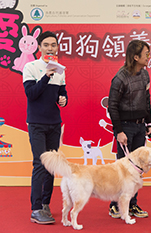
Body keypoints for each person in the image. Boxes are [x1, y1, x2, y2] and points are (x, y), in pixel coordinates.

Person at [23, 31, 68, 224]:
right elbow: (31, 94)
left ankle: (46, 204)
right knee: (39, 164)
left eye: (54, 45)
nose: (50, 48)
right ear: (39, 47)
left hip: (54, 123)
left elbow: (62, 92)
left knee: (51, 166)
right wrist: (46, 76)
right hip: (37, 123)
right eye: (46, 45)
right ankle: (36, 208)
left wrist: (64, 100)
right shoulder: (30, 67)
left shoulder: (61, 69)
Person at [107, 40, 151, 219]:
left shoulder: (145, 75)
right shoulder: (120, 77)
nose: (149, 57)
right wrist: (119, 131)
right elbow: (112, 105)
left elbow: (147, 100)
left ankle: (132, 205)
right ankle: (115, 205)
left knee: (138, 169)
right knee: (123, 169)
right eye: (146, 54)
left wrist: (149, 124)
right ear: (136, 57)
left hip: (140, 126)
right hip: (125, 128)